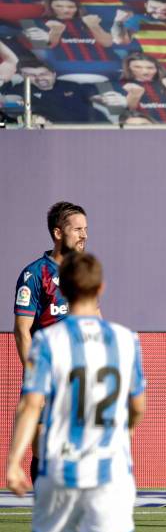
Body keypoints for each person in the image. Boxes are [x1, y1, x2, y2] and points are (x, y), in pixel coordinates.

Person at [7, 252, 145, 532]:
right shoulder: (126, 340)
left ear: (64, 291)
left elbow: (30, 405)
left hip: (60, 465)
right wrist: (119, 432)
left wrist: (12, 463)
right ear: (101, 287)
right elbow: (138, 406)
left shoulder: (48, 341)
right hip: (109, 467)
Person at [14, 201, 89, 484]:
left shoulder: (84, 270)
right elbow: (22, 331)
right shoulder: (34, 275)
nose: (84, 235)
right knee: (43, 446)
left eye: (86, 229)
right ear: (58, 233)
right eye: (77, 229)